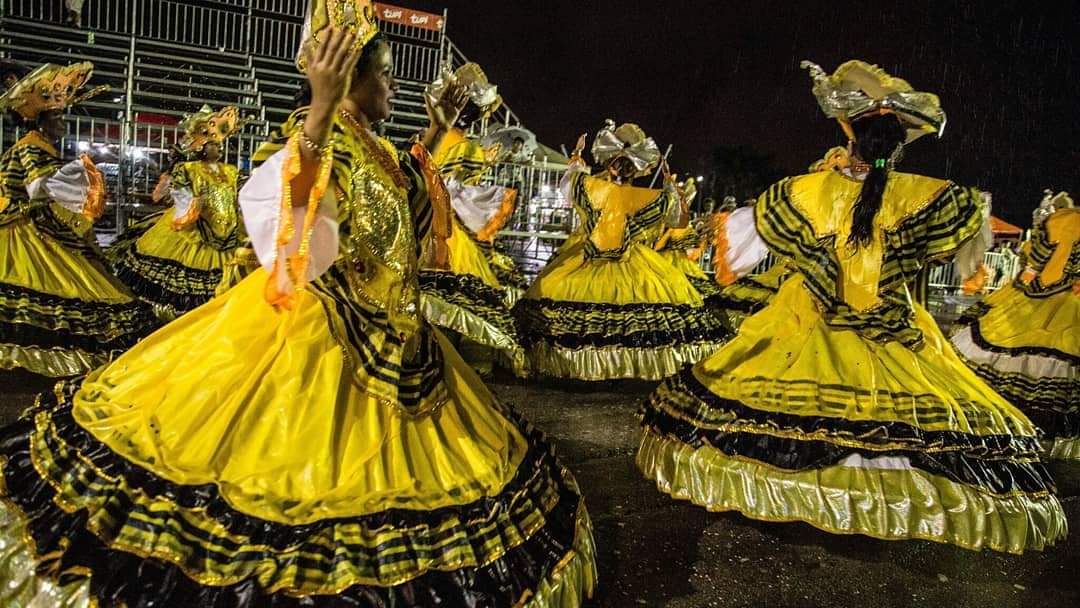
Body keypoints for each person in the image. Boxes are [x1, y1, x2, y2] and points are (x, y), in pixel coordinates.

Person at [0, 3, 596, 605]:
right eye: (383, 72)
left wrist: (439, 133)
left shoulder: (377, 149)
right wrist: (317, 111)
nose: (393, 84)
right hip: (320, 344)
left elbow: (411, 234)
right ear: (345, 77)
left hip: (396, 347)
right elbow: (297, 252)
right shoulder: (306, 143)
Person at [638, 60, 1066, 553]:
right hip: (893, 326)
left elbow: (738, 252)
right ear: (900, 141)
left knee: (779, 408)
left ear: (847, 132)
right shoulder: (932, 197)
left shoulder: (801, 192)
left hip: (807, 318)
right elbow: (971, 253)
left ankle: (798, 492)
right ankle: (889, 501)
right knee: (909, 416)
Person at [514, 120, 731, 380]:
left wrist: (576, 158)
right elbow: (676, 215)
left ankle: (593, 365)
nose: (622, 168)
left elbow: (571, 183)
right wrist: (670, 189)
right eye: (620, 163)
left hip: (599, 257)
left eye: (626, 164)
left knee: (565, 294)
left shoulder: (598, 189)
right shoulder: (628, 194)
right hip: (614, 258)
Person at [0, 62, 158, 377]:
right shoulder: (31, 146)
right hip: (25, 228)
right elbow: (38, 187)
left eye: (62, 117)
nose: (63, 125)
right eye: (58, 117)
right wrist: (81, 174)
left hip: (38, 224)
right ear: (42, 121)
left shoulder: (41, 145)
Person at [952, 191, 1079, 460]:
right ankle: (1054, 439)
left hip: (1034, 298)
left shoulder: (1058, 220)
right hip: (1071, 303)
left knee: (1005, 354)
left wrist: (1026, 284)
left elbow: (1035, 260)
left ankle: (1004, 426)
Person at [422, 63, 528, 375]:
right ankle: (463, 360)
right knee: (466, 290)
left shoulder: (433, 135)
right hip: (453, 227)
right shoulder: (465, 146)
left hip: (426, 220)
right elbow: (462, 183)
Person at [109, 105, 246, 319]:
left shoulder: (230, 171)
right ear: (200, 146)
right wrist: (189, 210)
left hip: (226, 229)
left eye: (219, 143)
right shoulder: (188, 169)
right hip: (190, 229)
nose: (218, 147)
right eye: (212, 144)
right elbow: (161, 195)